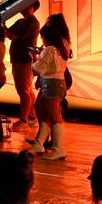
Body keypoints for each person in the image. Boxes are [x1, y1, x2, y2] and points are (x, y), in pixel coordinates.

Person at [26, 13, 70, 160]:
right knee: (43, 112)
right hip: (54, 83)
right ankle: (39, 143)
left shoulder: (50, 50)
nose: (42, 40)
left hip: (52, 84)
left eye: (43, 37)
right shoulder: (63, 45)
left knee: (54, 117)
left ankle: (59, 149)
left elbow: (38, 69)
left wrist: (34, 58)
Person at [7, 0, 41, 130]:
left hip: (25, 60)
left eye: (27, 5)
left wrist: (7, 30)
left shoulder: (32, 22)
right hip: (18, 59)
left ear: (32, 7)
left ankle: (23, 120)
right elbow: (9, 34)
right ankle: (32, 118)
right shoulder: (21, 21)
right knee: (26, 90)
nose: (23, 7)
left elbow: (14, 36)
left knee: (23, 92)